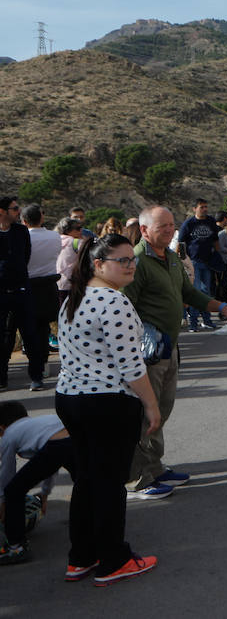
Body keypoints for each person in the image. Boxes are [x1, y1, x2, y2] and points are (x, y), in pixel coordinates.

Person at [54, 233, 162, 585]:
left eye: (133, 259)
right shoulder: (113, 302)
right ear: (98, 264)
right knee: (109, 483)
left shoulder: (76, 297)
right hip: (106, 402)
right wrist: (151, 404)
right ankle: (113, 559)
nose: (131, 265)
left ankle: (81, 557)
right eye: (122, 260)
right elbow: (132, 367)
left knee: (87, 481)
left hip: (72, 399)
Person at [126, 206, 227, 500]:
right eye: (161, 226)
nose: (168, 230)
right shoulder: (137, 261)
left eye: (171, 225)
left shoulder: (172, 258)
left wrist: (221, 307)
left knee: (161, 411)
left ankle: (155, 467)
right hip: (148, 353)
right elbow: (125, 308)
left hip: (169, 347)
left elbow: (189, 294)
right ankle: (137, 479)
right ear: (143, 230)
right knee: (145, 415)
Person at [0, 400, 72, 565]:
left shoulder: (9, 435)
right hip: (75, 439)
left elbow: (7, 473)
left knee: (13, 491)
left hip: (57, 445)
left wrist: (3, 501)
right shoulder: (38, 424)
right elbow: (51, 465)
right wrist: (45, 493)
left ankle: (16, 547)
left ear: (2, 428)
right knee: (84, 483)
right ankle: (92, 528)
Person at [0, 198, 37, 392]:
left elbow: (26, 255)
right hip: (1, 293)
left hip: (22, 289)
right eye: (15, 209)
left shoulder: (21, 231)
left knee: (29, 333)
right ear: (2, 212)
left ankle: (37, 376)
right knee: (3, 337)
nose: (19, 212)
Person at [22, 206, 60, 387]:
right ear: (42, 218)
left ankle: (35, 369)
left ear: (24, 221)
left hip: (28, 286)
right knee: (44, 328)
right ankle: (42, 365)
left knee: (29, 331)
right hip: (49, 285)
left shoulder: (24, 237)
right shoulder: (54, 236)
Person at [177, 200, 222, 332]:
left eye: (206, 207)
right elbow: (181, 243)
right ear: (194, 209)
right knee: (195, 292)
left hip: (208, 262)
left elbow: (215, 240)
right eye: (202, 207)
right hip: (193, 262)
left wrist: (219, 257)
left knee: (206, 293)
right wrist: (181, 261)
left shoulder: (211, 221)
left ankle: (207, 321)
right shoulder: (189, 224)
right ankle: (193, 323)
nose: (204, 209)